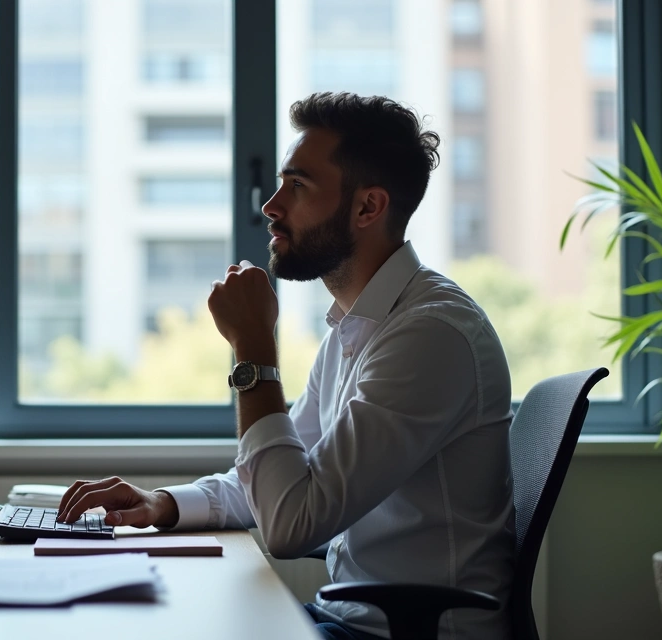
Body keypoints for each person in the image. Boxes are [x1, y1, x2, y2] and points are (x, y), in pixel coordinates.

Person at [57, 92, 515, 640]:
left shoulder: (428, 336)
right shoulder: (359, 327)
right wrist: (161, 505)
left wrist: (253, 348)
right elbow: (274, 484)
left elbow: (291, 524)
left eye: (297, 186)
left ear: (367, 207)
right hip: (347, 621)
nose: (272, 206)